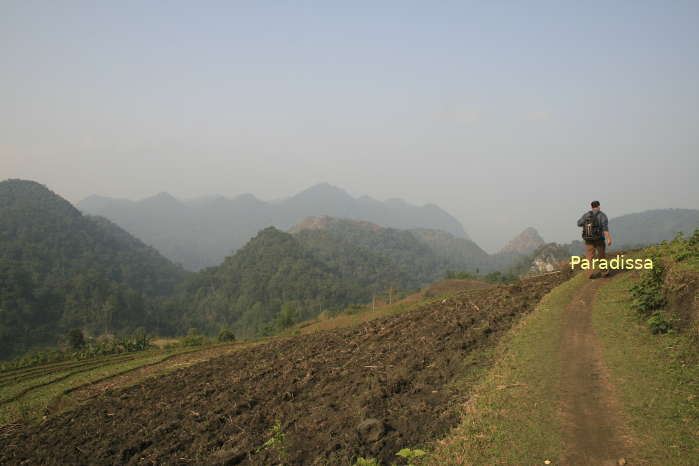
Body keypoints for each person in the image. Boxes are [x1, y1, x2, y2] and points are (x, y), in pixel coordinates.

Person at [577, 200, 612, 278]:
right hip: (599, 239)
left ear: (591, 207)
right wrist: (609, 239)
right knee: (601, 256)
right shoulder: (602, 216)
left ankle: (589, 274)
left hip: (588, 239)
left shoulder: (586, 215)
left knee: (589, 257)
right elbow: (605, 229)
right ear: (599, 206)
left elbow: (578, 223)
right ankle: (604, 272)